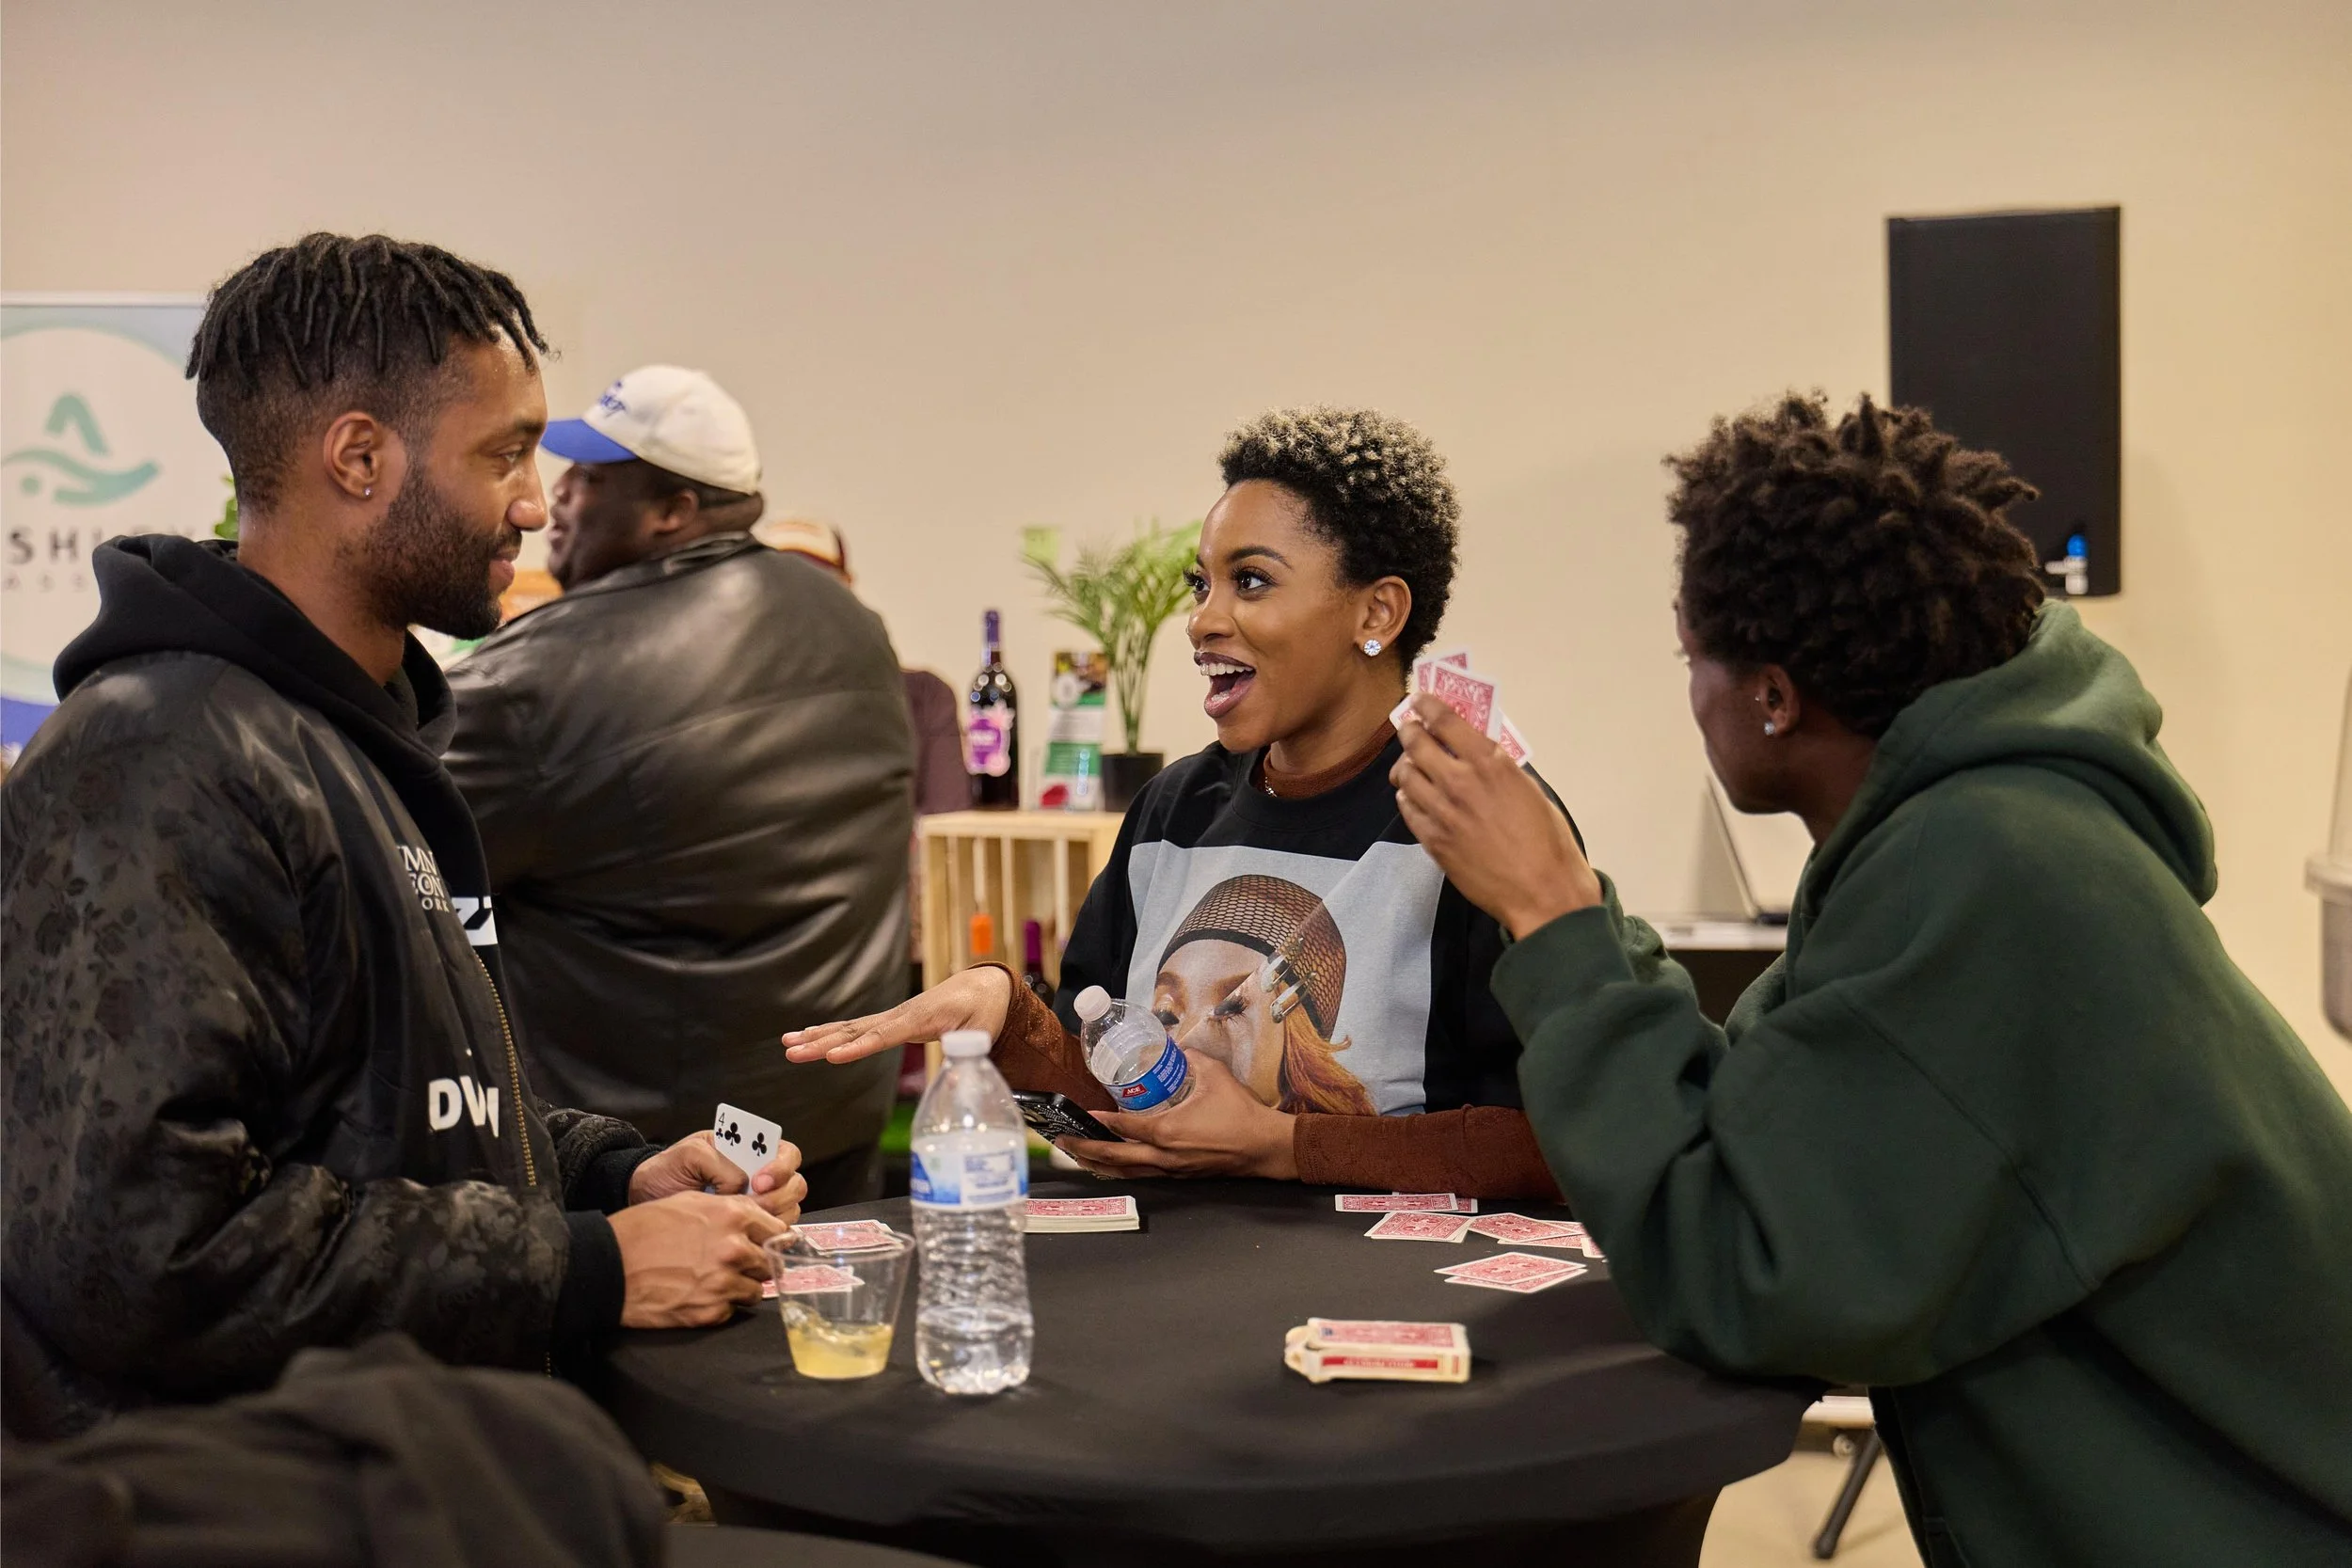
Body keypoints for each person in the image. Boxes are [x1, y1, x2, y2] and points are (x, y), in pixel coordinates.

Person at [1390, 393, 2352, 1566]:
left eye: (1693, 657)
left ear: (1774, 696)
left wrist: (1548, 913)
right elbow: (1763, 1109)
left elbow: (1751, 1274)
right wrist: (1574, 909)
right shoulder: (1979, 830)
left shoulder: (1986, 872)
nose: (1690, 691)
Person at [0, 235, 800, 1441]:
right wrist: (583, 1266)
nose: (536, 505)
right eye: (506, 455)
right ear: (360, 457)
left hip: (413, 1463)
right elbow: (145, 1252)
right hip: (229, 1508)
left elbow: (404, 1109)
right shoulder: (157, 759)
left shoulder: (360, 734)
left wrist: (607, 1175)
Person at [788, 406, 1649, 1197]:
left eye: (1253, 581)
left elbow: (1566, 1139)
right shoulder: (1174, 808)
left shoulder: (1475, 818)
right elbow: (1113, 1088)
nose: (1203, 620)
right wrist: (1007, 1014)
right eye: (1201, 583)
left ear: (1377, 611)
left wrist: (1277, 1142)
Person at [443, 366, 913, 1210]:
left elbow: (387, 861)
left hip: (650, 1165)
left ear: (674, 511)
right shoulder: (854, 625)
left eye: (590, 480)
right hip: (831, 1132)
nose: (556, 503)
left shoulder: (536, 682)